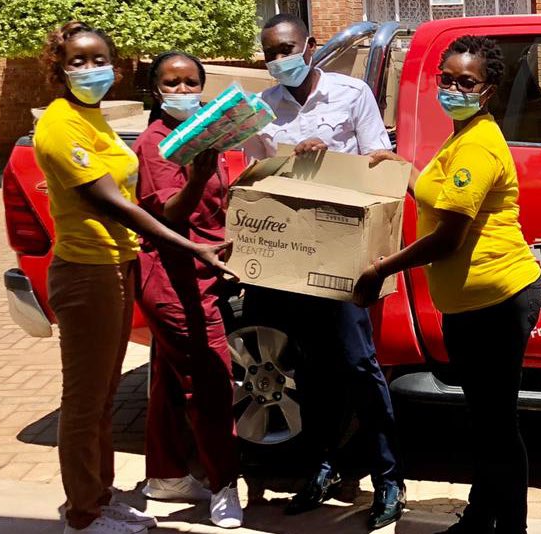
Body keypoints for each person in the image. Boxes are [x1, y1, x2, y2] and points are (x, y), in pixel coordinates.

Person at [34, 21, 234, 534]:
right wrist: (194, 247)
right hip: (86, 272)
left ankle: (100, 497)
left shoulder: (92, 118)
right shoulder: (60, 125)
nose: (91, 69)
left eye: (100, 58)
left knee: (102, 398)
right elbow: (112, 202)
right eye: (78, 61)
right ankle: (83, 515)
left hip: (116, 267)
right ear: (58, 68)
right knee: (84, 401)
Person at [355, 35, 541, 534]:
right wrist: (405, 169)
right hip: (469, 306)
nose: (455, 89)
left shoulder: (479, 144)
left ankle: (512, 529)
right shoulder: (462, 134)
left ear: (489, 90)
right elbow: (440, 196)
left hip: (497, 303)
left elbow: (448, 239)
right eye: (448, 79)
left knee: (499, 428)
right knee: (485, 424)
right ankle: (481, 518)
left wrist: (381, 269)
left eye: (468, 82)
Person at [240, 13, 406, 530]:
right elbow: (254, 178)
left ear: (309, 45)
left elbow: (381, 160)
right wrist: (291, 160)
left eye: (287, 48)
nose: (279, 60)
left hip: (342, 256)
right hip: (290, 258)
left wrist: (328, 155)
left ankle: (388, 476)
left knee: (359, 365)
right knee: (308, 369)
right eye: (270, 53)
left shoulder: (350, 93)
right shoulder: (262, 109)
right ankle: (324, 466)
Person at [132, 51, 242, 529]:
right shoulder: (159, 143)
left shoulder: (200, 138)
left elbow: (217, 202)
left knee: (171, 377)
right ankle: (223, 485)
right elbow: (170, 214)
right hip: (173, 277)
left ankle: (167, 473)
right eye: (171, 84)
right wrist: (198, 176)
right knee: (210, 380)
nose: (182, 92)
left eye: (190, 82)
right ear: (156, 90)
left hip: (204, 272)